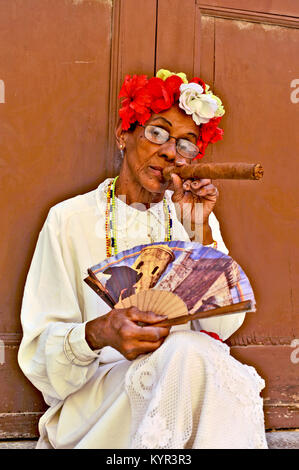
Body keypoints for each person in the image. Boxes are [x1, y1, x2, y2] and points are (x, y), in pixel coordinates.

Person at [18, 69, 268, 449]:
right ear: (124, 136)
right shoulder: (69, 219)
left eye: (186, 144)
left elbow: (225, 326)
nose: (170, 150)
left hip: (188, 380)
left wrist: (199, 231)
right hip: (102, 401)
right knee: (191, 354)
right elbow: (40, 354)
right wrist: (100, 333)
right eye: (157, 133)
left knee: (198, 355)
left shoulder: (192, 217)